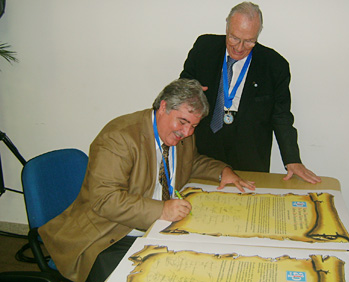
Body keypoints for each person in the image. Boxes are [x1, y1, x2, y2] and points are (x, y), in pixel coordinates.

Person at [38, 79, 255, 282]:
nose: (187, 132)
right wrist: (161, 210)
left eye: (194, 126)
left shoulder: (180, 133)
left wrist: (222, 171)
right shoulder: (119, 138)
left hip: (154, 228)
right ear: (163, 107)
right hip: (108, 235)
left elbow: (191, 162)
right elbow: (104, 200)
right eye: (183, 122)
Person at [180, 2, 321, 184]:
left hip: (250, 153)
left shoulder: (275, 66)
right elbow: (181, 87)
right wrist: (190, 90)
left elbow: (281, 116)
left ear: (258, 33)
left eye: (249, 41)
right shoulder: (204, 48)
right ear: (227, 26)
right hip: (204, 150)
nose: (240, 48)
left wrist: (292, 158)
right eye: (234, 38)